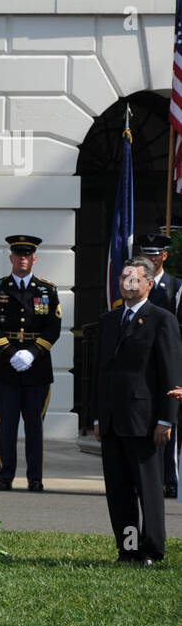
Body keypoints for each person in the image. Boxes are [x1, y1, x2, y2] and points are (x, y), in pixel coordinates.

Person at [94, 257, 181, 565]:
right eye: (123, 278)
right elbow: (101, 373)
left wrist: (166, 418)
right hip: (113, 422)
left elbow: (171, 374)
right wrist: (97, 416)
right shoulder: (109, 320)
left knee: (148, 490)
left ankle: (152, 550)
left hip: (145, 422)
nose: (127, 283)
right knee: (119, 493)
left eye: (134, 278)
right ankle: (128, 549)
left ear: (147, 284)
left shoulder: (161, 319)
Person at [0, 234, 61, 492]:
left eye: (27, 255)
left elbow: (53, 328)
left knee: (35, 426)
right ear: (11, 258)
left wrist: (32, 354)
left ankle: (35, 477)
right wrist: (11, 353)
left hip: (37, 370)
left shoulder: (48, 290)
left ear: (34, 259)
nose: (23, 259)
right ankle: (5, 475)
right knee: (6, 425)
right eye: (18, 255)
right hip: (6, 368)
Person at [138, 231, 180, 499]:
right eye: (146, 254)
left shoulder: (175, 287)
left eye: (155, 255)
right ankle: (143, 476)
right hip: (140, 365)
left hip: (165, 361)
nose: (151, 259)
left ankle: (169, 478)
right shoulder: (135, 282)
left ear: (164, 256)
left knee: (168, 421)